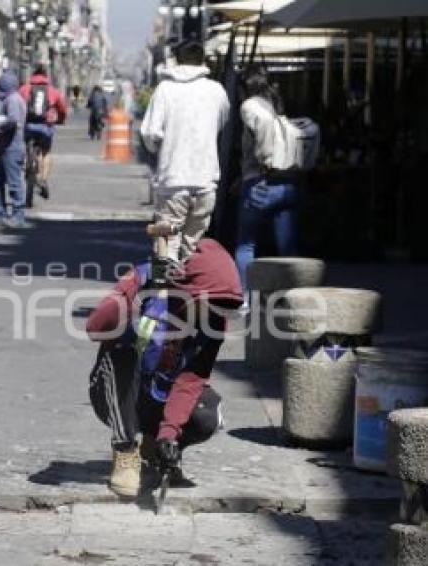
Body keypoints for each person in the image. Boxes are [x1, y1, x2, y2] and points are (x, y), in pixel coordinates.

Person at [86, 238, 243, 497]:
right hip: (116, 391)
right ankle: (125, 451)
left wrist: (168, 434)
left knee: (207, 415)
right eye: (213, 305)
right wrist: (133, 287)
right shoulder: (152, 284)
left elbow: (192, 379)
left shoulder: (214, 322)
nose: (217, 314)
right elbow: (96, 327)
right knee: (123, 352)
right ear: (195, 291)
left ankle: (156, 446)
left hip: (160, 396)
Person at [140, 40, 229, 261]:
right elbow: (222, 122)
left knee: (166, 244)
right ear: (203, 61)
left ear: (177, 60)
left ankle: (162, 290)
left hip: (173, 179)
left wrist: (162, 150)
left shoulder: (165, 89)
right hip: (206, 179)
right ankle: (191, 292)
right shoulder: (216, 90)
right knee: (194, 248)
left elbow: (150, 132)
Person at [234, 64, 299, 297]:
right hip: (286, 183)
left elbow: (261, 129)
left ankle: (245, 298)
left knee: (246, 244)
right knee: (287, 250)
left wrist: (264, 159)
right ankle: (291, 298)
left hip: (261, 183)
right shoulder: (274, 104)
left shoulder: (250, 106)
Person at [19, 63, 68, 199]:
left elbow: (18, 103)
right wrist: (61, 119)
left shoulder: (25, 88)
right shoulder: (52, 90)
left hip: (28, 126)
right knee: (46, 152)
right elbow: (62, 108)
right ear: (46, 76)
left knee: (23, 146)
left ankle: (26, 164)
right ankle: (43, 179)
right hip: (45, 127)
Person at [0, 70, 27, 228]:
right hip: (5, 147)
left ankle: (18, 215)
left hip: (12, 148)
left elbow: (13, 120)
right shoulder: (11, 98)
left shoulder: (13, 100)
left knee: (14, 182)